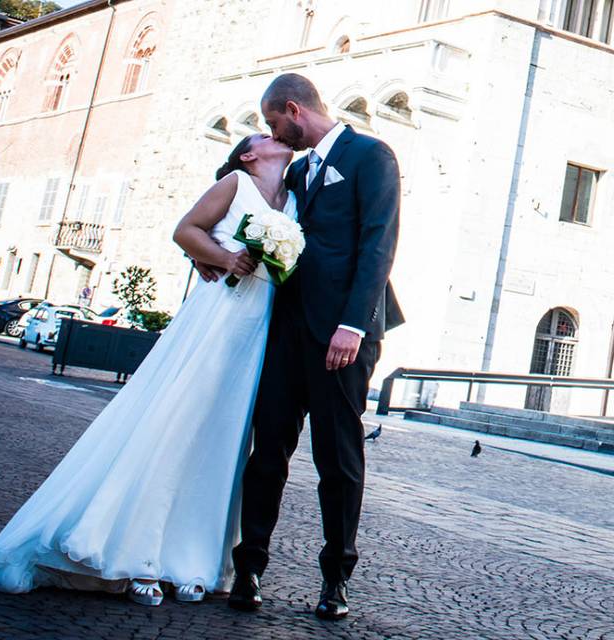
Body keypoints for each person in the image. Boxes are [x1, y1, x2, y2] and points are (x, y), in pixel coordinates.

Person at [0, 133, 296, 606]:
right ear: (248, 154)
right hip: (217, 316)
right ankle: (137, 553)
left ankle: (192, 560)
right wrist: (223, 258)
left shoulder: (294, 196)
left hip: (258, 330)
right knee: (175, 424)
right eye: (264, 135)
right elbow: (185, 231)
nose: (275, 136)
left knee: (223, 439)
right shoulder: (235, 183)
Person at [203, 73, 404, 620]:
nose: (272, 132)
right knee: (267, 454)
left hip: (342, 336)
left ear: (294, 109)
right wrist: (215, 256)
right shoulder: (292, 172)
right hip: (285, 332)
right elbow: (249, 222)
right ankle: (249, 569)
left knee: (337, 461)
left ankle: (336, 578)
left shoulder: (371, 155)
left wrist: (354, 325)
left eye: (272, 123)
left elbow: (378, 246)